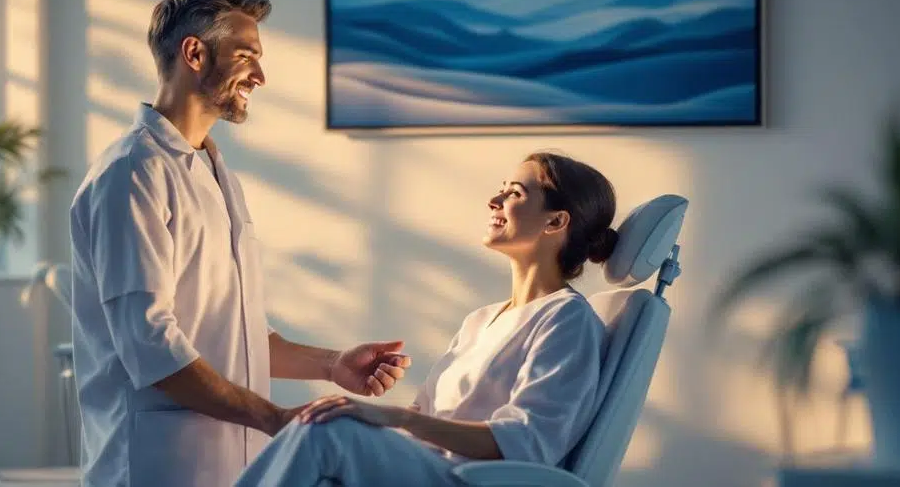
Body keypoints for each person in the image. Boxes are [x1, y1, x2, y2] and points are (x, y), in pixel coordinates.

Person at [68, 0, 412, 487]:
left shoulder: (213, 171)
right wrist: (276, 418)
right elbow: (152, 347)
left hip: (233, 468)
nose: (261, 76)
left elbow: (240, 335)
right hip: (155, 467)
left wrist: (333, 364)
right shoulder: (131, 173)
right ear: (194, 53)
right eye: (247, 55)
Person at [234, 151, 617, 487]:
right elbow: (423, 416)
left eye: (514, 193)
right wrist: (373, 423)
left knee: (328, 433)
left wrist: (391, 418)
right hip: (428, 468)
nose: (494, 200)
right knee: (318, 420)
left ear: (555, 223)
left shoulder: (567, 320)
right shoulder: (480, 320)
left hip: (471, 481)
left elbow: (526, 442)